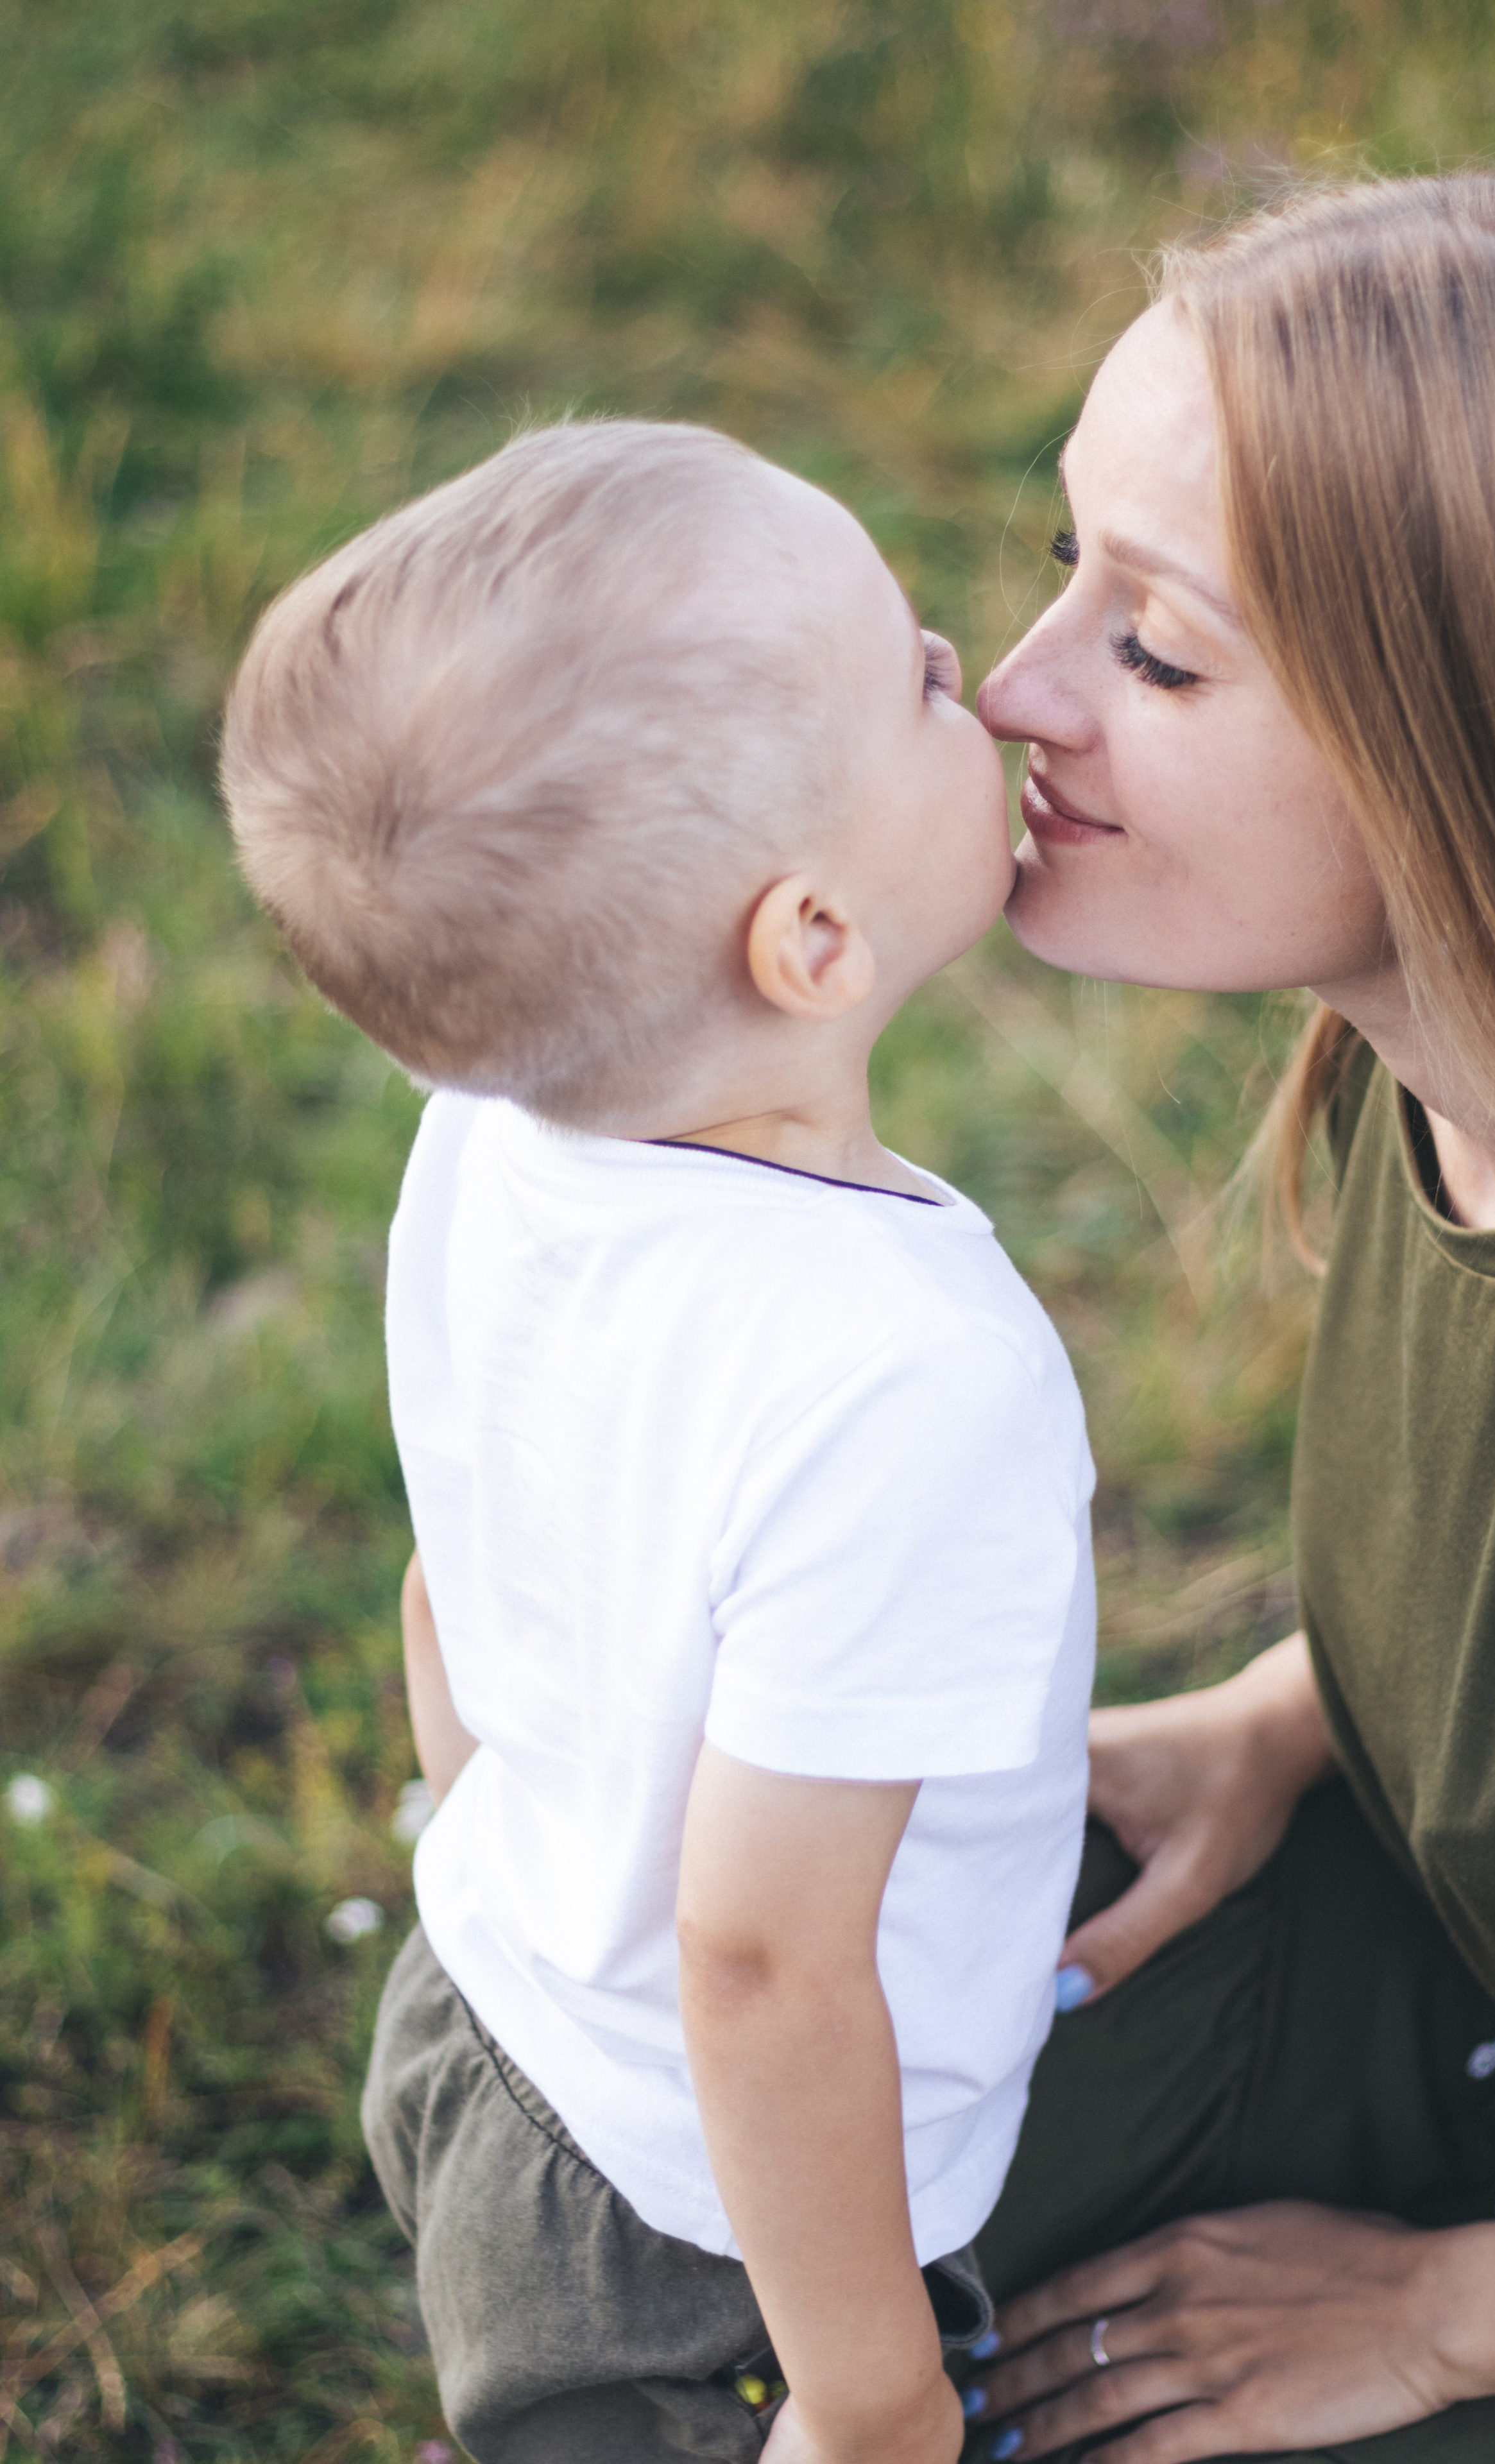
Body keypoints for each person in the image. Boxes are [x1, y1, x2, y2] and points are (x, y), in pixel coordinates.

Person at [218, 419, 1098, 2464]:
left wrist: (525, 1894)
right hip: (706, 2251)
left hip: (478, 2022)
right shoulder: (908, 1375)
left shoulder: (495, 1142)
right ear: (810, 943)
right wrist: (871, 2389)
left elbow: (461, 1580)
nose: (975, 661)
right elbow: (762, 1953)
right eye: (921, 681)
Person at [959, 167, 1495, 2460]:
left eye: (1156, 650)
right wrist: (1298, 1716)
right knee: (707, 2020)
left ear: (1487, 758)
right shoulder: (1423, 1069)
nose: (1022, 690)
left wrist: (1467, 2315)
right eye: (1066, 564)